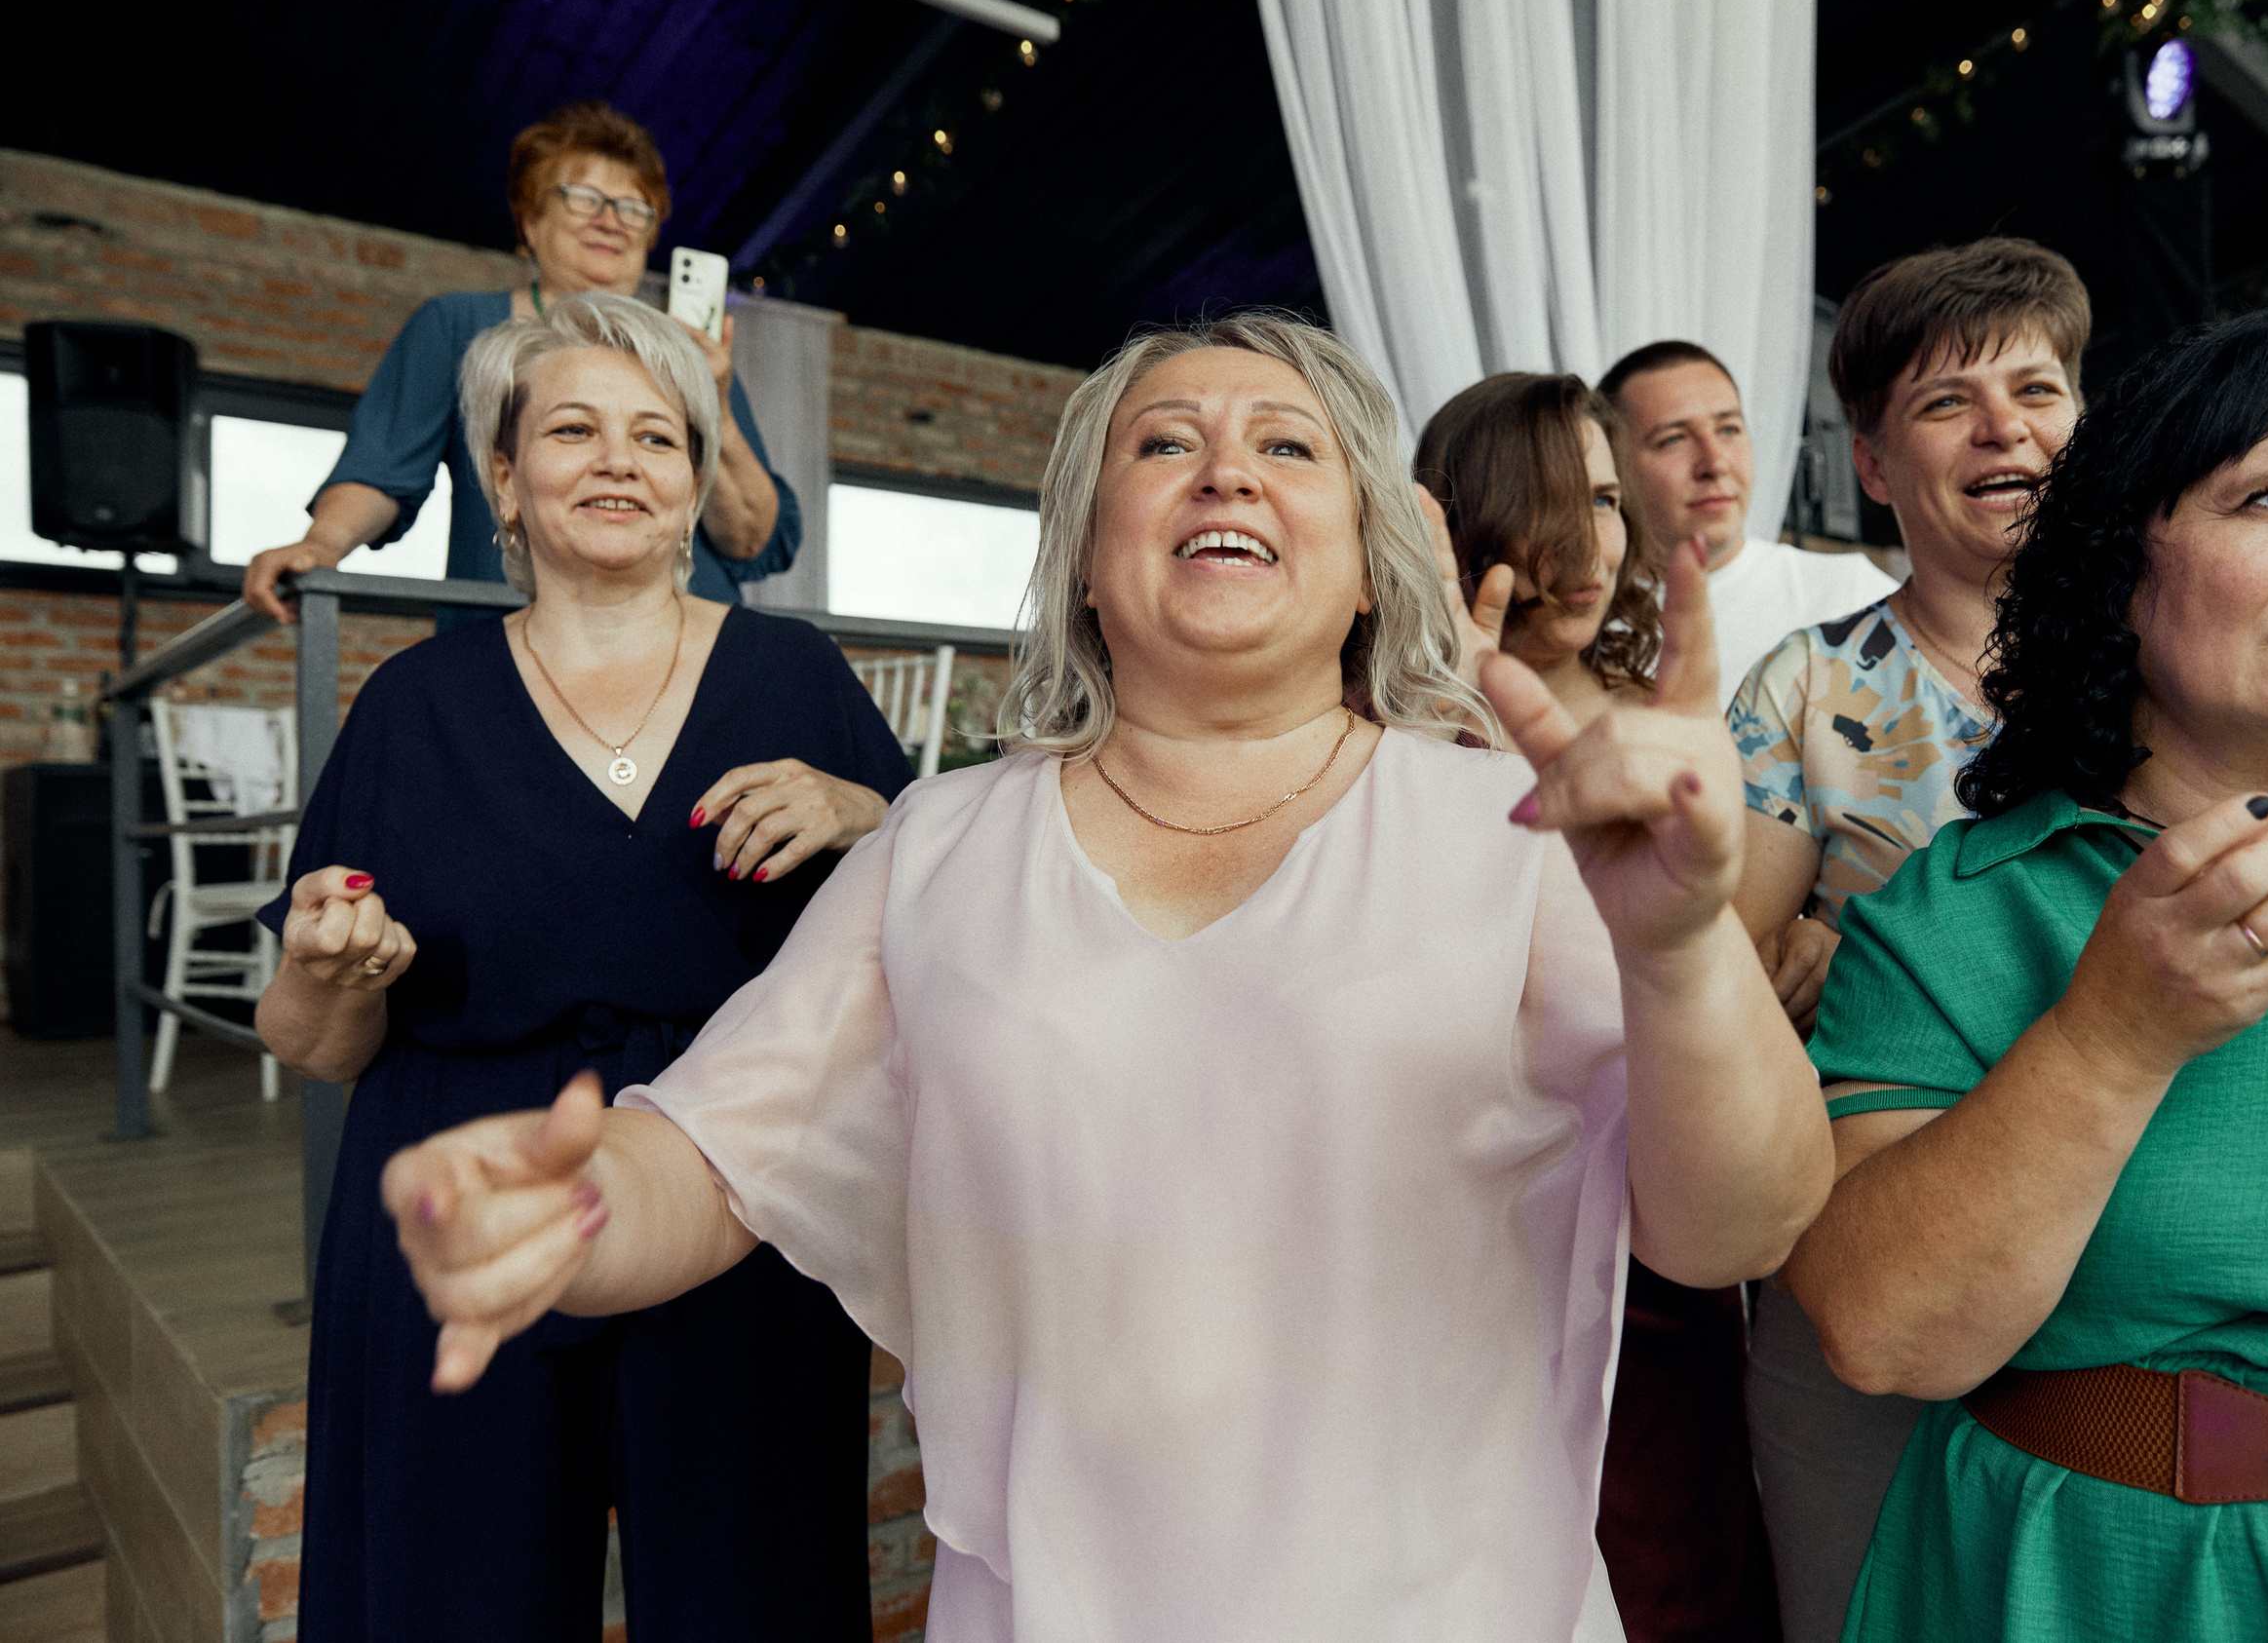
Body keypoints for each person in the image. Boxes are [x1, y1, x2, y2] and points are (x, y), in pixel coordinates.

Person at [370, 312, 1834, 1642]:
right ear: (1084, 551)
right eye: (1164, 443)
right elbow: (707, 1155)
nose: (1226, 472)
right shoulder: (940, 844)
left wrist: (1683, 950)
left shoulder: (1511, 828)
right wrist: (558, 1206)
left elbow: (1739, 1223)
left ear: (1367, 561)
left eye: (1287, 447)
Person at [1785, 304, 2268, 1641]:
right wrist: (2111, 1039)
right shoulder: (1967, 909)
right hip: (2097, 1586)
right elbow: (1885, 1335)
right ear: (2124, 552)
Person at [251, 293, 911, 1641]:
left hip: (737, 1185)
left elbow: (954, 914)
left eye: (656, 435)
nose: (618, 460)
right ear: (503, 477)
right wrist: (336, 971)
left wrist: (870, 813)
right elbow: (315, 1043)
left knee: (755, 1598)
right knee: (449, 1603)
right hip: (465, 1194)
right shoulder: (412, 705)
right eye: (571, 430)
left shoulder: (796, 674)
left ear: (693, 484)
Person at [1728, 237, 2090, 1643]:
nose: (2004, 427)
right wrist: (1776, 969)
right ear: (1874, 464)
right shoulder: (1809, 686)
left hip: (2138, 1274)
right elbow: (1731, 985)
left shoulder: (2189, 660)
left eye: (2036, 389)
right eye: (1948, 401)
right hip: (1871, 1261)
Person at [1417, 369, 1778, 1642]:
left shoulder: (1668, 733)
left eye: (1608, 500)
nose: (1585, 543)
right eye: (1544, 501)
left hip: (1659, 1295)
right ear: (1454, 516)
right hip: (1451, 1289)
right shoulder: (1376, 749)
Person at [240, 100, 801, 630]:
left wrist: (713, 401)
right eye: (584, 198)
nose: (612, 221)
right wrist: (323, 544)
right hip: (512, 638)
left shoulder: (690, 352)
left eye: (634, 209)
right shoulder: (457, 326)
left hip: (689, 645)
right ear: (531, 221)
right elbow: (382, 467)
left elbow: (752, 541)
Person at [1597, 342, 1895, 712]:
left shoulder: (1851, 597)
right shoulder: (1585, 626)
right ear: (1612, 466)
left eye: (1729, 429)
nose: (1715, 463)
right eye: (1673, 439)